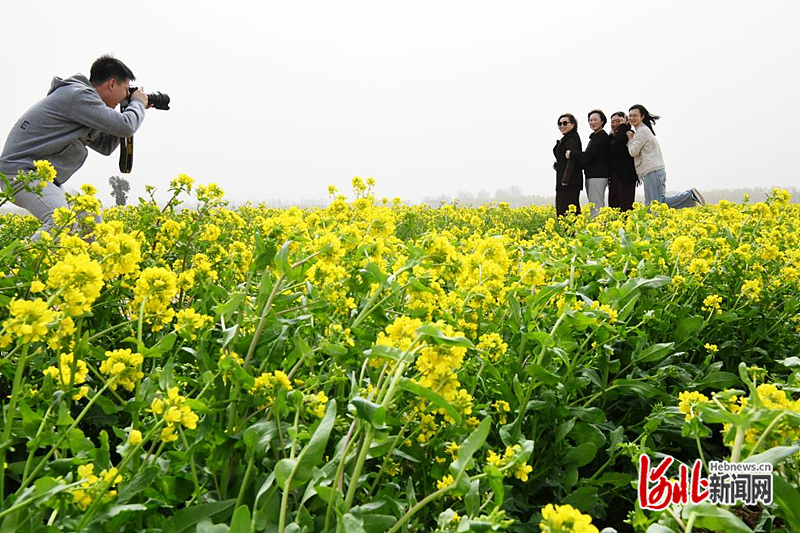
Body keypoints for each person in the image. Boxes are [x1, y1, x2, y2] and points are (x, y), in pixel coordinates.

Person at [0, 55, 149, 238]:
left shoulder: (83, 105)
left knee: (89, 213)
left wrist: (130, 109)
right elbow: (125, 126)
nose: (125, 97)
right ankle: (17, 266)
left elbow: (106, 146)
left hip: (39, 176)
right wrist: (138, 104)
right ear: (112, 84)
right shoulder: (78, 95)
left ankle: (81, 265)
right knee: (61, 220)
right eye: (126, 90)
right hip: (19, 173)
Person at [626, 104, 704, 208]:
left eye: (635, 115)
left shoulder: (642, 131)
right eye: (630, 116)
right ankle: (690, 196)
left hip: (652, 171)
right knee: (658, 203)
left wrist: (630, 139)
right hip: (655, 171)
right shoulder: (642, 130)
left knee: (653, 205)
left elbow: (633, 152)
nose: (632, 118)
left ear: (642, 117)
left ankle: (689, 196)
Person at [577, 109, 610, 217]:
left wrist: (572, 154)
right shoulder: (595, 136)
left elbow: (588, 156)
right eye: (590, 120)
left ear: (602, 121)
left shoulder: (601, 137)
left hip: (598, 176)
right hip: (592, 176)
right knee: (594, 205)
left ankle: (599, 230)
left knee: (597, 206)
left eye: (595, 120)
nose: (592, 122)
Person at [553, 113, 583, 216]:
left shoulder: (572, 139)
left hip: (569, 182)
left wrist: (565, 179)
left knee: (567, 211)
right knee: (564, 210)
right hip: (564, 180)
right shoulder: (567, 138)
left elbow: (572, 160)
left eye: (565, 123)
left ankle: (571, 232)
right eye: (559, 124)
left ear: (573, 124)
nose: (562, 126)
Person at [607, 112, 638, 211]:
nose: (615, 124)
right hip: (614, 177)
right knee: (613, 207)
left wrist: (624, 126)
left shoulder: (629, 134)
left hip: (626, 177)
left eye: (618, 121)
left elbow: (619, 144)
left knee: (625, 207)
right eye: (612, 122)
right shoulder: (611, 137)